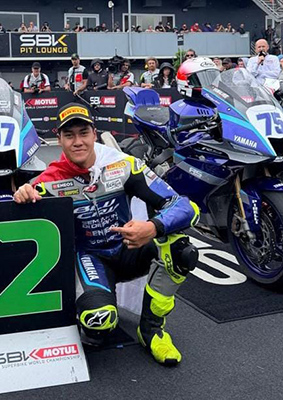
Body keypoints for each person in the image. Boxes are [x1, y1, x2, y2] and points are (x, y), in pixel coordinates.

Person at [13, 103, 200, 365]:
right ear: (59, 139)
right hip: (90, 259)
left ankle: (152, 330)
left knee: (181, 250)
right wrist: (22, 195)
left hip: (128, 249)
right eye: (69, 135)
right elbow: (14, 222)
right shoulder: (48, 181)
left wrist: (152, 227)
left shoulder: (124, 166)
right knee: (99, 321)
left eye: (83, 133)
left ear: (94, 134)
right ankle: (85, 307)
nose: (78, 142)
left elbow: (186, 208)